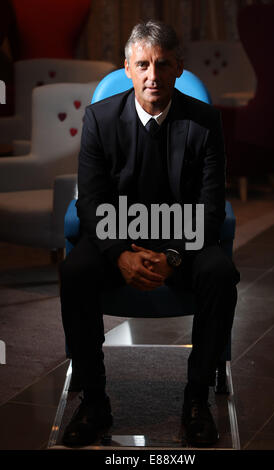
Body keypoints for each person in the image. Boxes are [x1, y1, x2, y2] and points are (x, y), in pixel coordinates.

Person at [59, 20, 240, 448]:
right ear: (127, 68)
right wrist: (120, 253)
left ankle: (196, 401)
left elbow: (210, 207)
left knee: (220, 274)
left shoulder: (205, 121)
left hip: (183, 241)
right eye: (142, 65)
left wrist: (173, 255)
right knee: (75, 272)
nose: (152, 76)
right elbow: (91, 201)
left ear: (179, 67)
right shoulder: (100, 118)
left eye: (162, 65)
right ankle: (94, 400)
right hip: (116, 236)